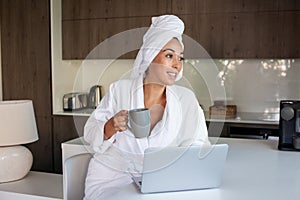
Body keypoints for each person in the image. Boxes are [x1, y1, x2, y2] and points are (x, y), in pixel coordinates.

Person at [83, 15, 210, 200]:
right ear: (150, 56)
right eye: (169, 56)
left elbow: (197, 144)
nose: (176, 64)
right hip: (113, 178)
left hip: (161, 181)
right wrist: (110, 126)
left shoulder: (186, 99)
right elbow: (90, 132)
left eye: (180, 58)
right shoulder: (120, 90)